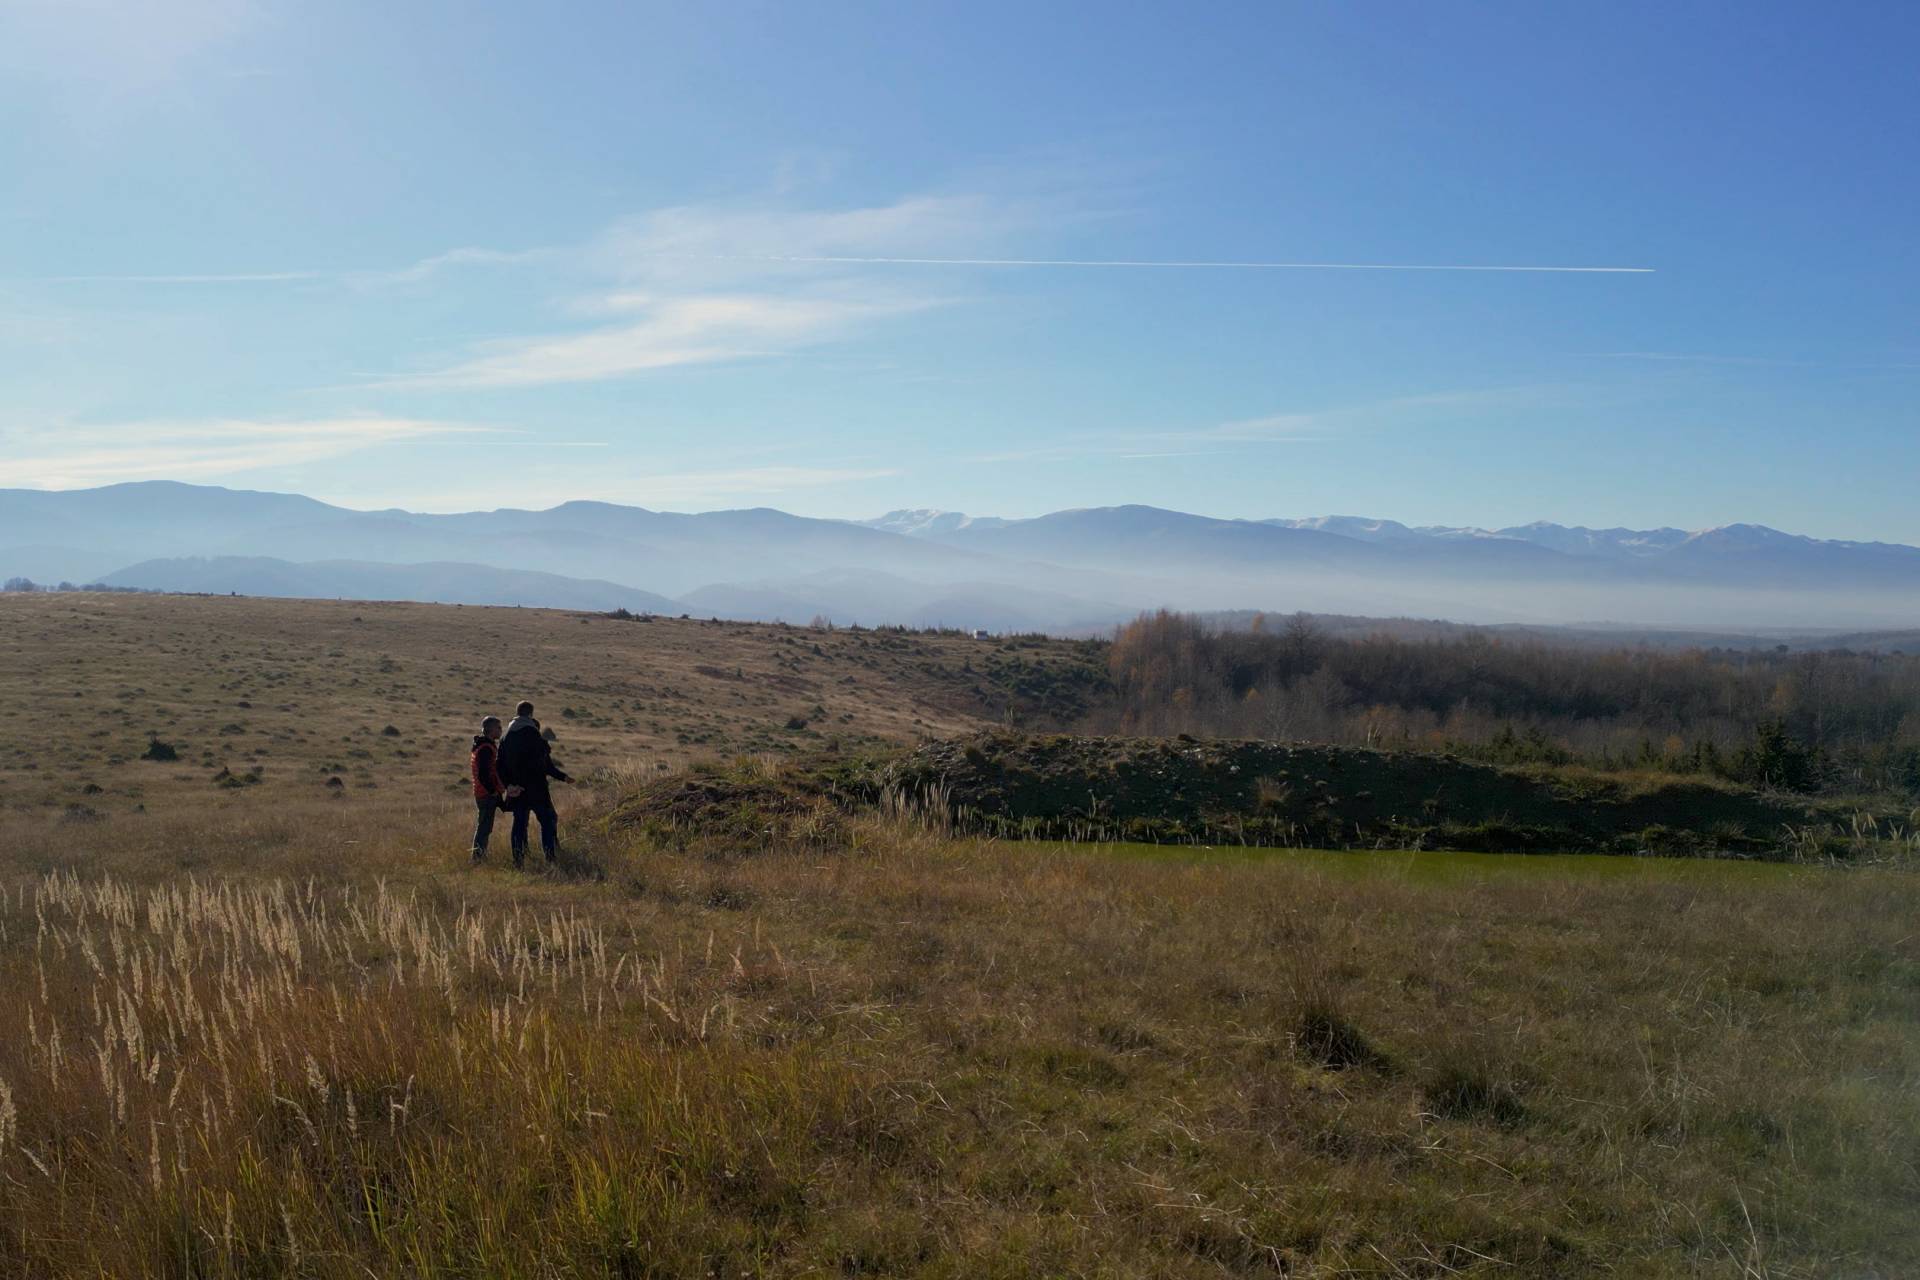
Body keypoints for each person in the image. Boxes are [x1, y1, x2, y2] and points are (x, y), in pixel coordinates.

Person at [497, 700, 572, 867]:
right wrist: (562, 776)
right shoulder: (534, 735)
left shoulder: (505, 736)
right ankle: (550, 858)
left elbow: (499, 765)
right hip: (536, 789)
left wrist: (509, 785)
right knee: (547, 822)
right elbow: (544, 764)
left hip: (516, 790)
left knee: (519, 825)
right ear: (531, 714)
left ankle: (518, 861)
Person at [468, 715, 509, 863]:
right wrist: (492, 790)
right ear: (491, 729)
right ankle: (477, 858)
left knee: (484, 827)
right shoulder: (486, 748)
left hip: (483, 792)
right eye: (498, 727)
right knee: (484, 828)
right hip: (485, 794)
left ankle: (479, 856)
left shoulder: (484, 745)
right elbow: (483, 774)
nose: (501, 730)